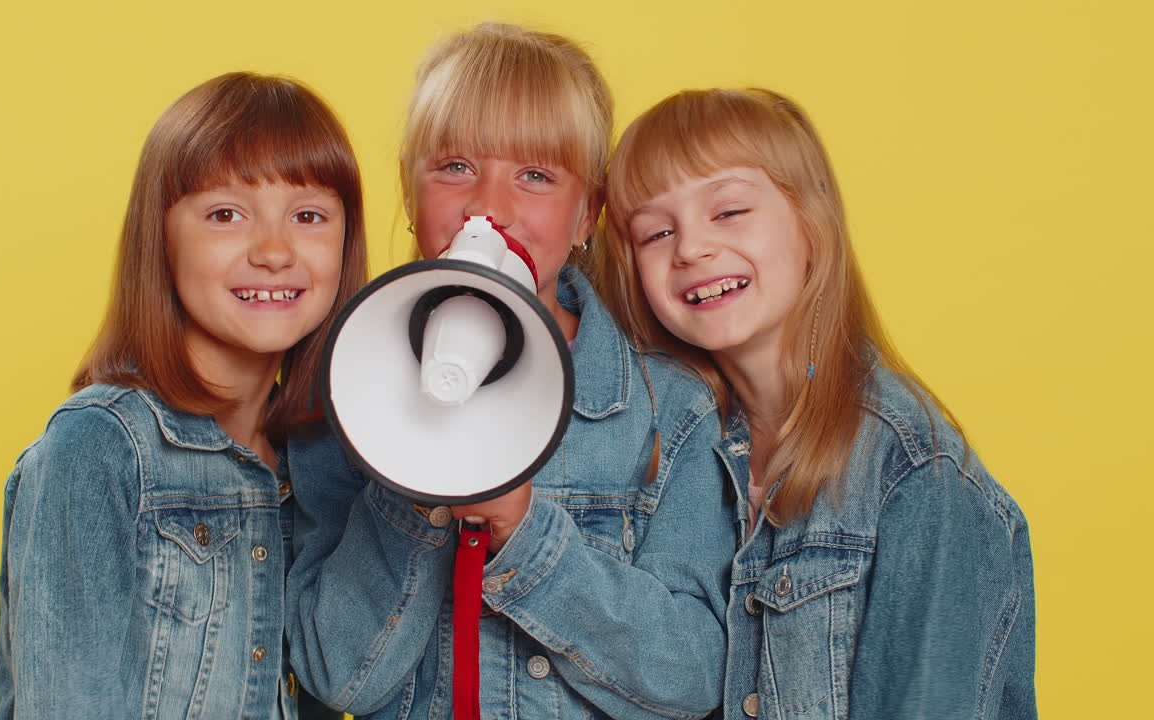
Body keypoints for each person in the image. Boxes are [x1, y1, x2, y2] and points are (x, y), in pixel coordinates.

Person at [286, 23, 732, 719]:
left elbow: (690, 678)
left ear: (588, 213)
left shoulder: (669, 412)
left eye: (536, 176)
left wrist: (529, 538)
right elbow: (334, 674)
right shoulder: (340, 389)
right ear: (409, 191)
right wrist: (411, 473)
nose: (488, 205)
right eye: (455, 167)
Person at [595, 87, 1036, 718]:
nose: (690, 248)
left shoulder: (917, 476)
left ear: (812, 223)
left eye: (728, 212)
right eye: (656, 232)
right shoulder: (682, 448)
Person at [0, 71, 366, 720]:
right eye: (226, 214)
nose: (274, 251)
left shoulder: (321, 461)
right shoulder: (99, 452)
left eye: (308, 216)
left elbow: (354, 679)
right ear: (160, 239)